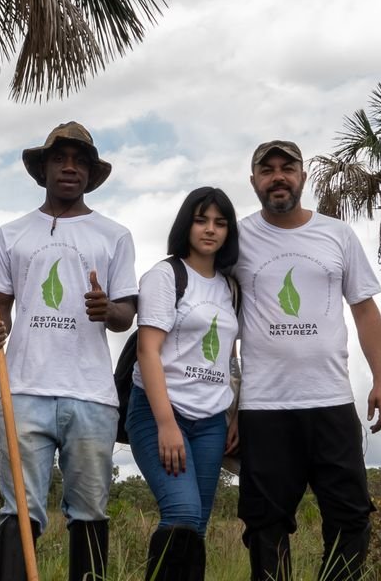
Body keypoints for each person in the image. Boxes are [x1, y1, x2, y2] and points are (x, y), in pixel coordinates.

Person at [0, 122, 138, 581]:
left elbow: (127, 315)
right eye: (60, 159)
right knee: (19, 509)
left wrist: (107, 309)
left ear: (91, 173)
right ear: (42, 169)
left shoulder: (114, 235)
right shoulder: (10, 234)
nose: (70, 168)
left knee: (89, 511)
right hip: (24, 389)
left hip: (92, 396)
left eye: (80, 161)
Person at [235, 141, 381, 581]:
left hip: (331, 401)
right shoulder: (238, 237)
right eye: (266, 170)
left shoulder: (337, 234)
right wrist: (229, 398)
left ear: (303, 177)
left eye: (288, 168)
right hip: (263, 406)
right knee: (265, 523)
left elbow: (365, 310)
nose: (278, 177)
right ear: (254, 182)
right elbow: (220, 315)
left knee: (351, 517)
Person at [125, 187, 242, 580]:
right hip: (159, 411)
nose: (210, 230)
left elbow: (229, 356)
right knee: (182, 513)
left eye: (220, 223)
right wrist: (166, 423)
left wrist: (234, 413)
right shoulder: (165, 275)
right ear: (186, 225)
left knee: (199, 525)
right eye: (201, 220)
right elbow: (148, 350)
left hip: (211, 421)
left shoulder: (230, 287)